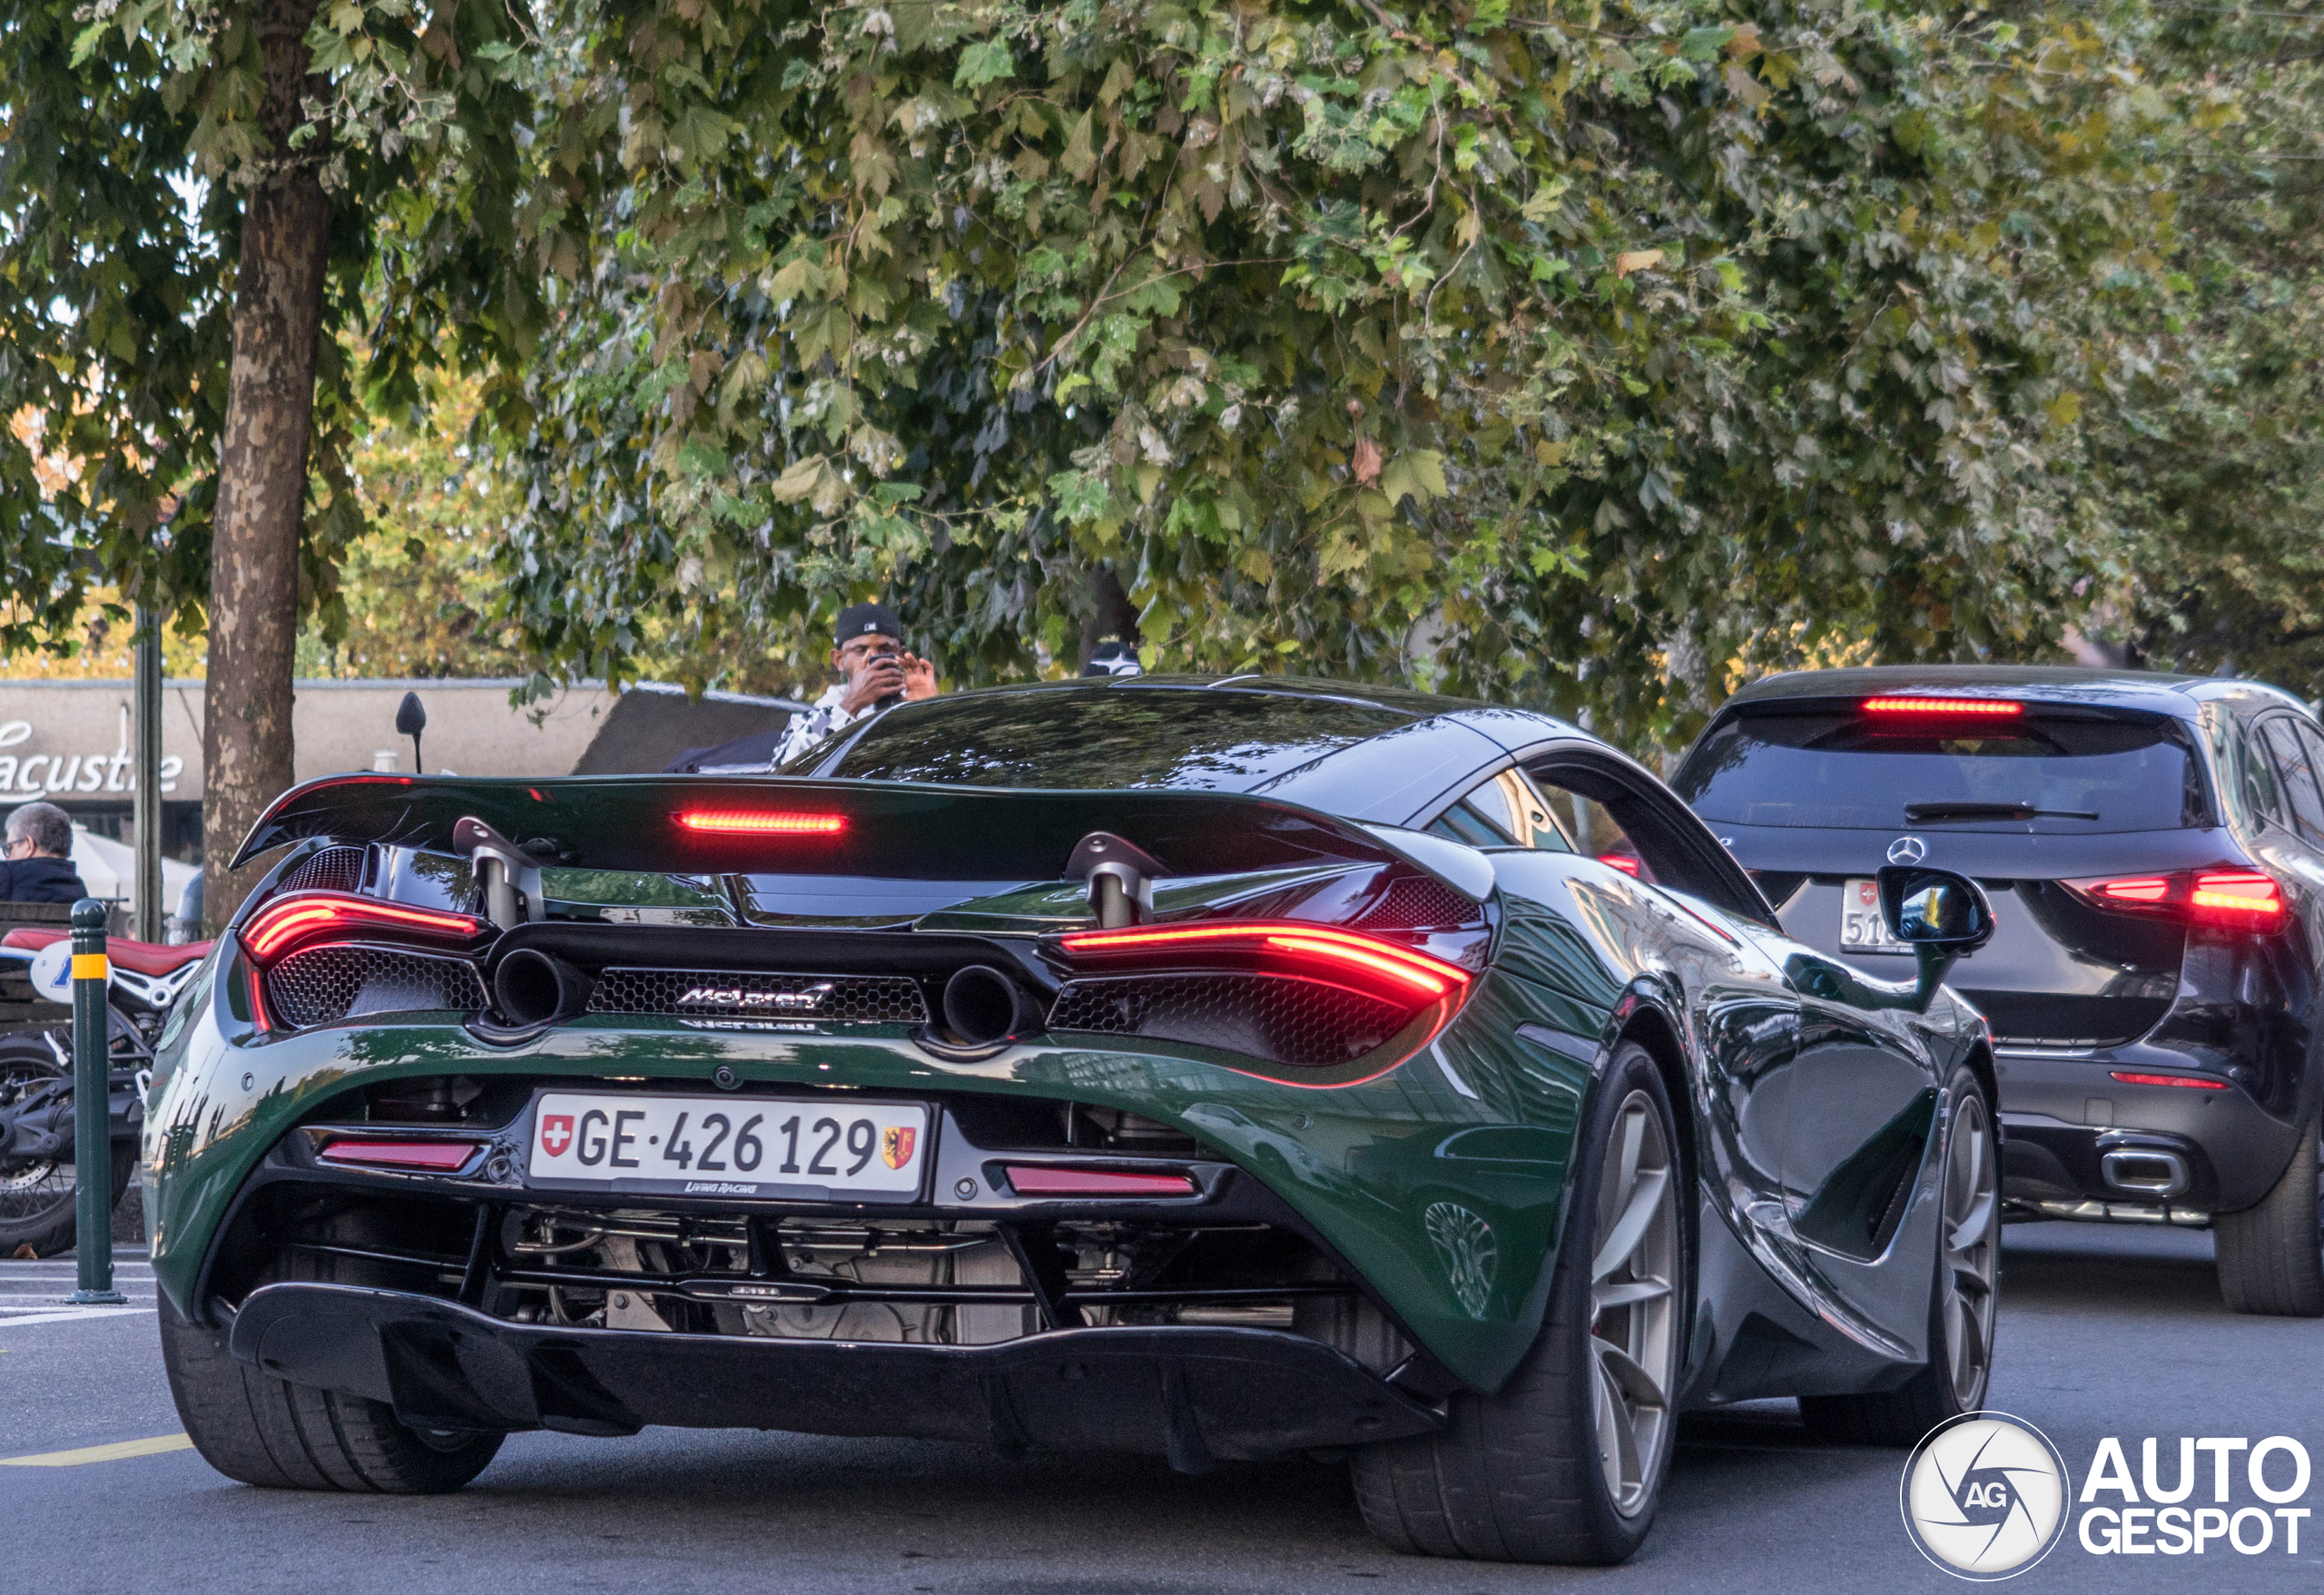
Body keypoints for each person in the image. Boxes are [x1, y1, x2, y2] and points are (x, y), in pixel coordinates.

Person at [664, 602, 938, 774]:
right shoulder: (820, 716)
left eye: (884, 649)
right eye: (860, 650)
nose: (871, 658)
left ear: (900, 654)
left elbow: (936, 772)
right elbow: (784, 770)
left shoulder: (915, 703)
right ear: (839, 660)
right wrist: (852, 704)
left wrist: (929, 711)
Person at [0, 802, 88, 903]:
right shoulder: (80, 894)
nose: (7, 858)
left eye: (10, 848)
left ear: (28, 845)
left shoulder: (7, 880)